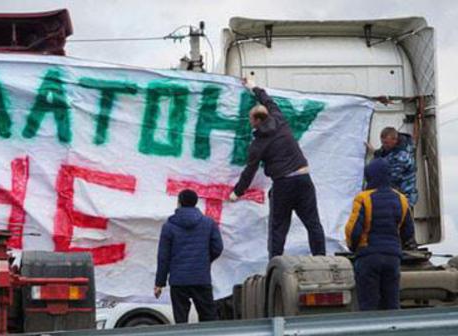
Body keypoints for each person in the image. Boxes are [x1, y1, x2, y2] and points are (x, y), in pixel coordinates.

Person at [229, 80, 326, 259]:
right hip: (304, 179)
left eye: (251, 119)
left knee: (278, 227)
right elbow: (268, 101)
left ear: (257, 120)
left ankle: (275, 263)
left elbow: (249, 172)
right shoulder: (279, 119)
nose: (249, 122)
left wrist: (236, 192)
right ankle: (320, 258)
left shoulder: (258, 145)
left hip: (284, 184)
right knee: (313, 223)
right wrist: (254, 87)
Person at [345, 158, 414, 311]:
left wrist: (352, 247)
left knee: (369, 305)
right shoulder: (401, 199)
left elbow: (353, 230)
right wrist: (396, 246)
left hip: (369, 257)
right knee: (392, 304)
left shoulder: (364, 198)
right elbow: (408, 231)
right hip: (392, 258)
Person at [154, 189, 223, 323]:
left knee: (181, 322)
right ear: (195, 203)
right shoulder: (209, 223)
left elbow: (163, 257)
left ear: (179, 203)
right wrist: (205, 260)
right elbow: (218, 248)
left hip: (178, 281)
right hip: (201, 278)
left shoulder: (168, 226)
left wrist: (159, 283)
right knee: (209, 320)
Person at [371, 127, 418, 207]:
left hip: (404, 198)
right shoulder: (392, 148)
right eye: (382, 142)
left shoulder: (401, 156)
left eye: (386, 143)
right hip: (395, 197)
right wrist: (375, 153)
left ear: (395, 140)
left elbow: (392, 177)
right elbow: (384, 154)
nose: (384, 145)